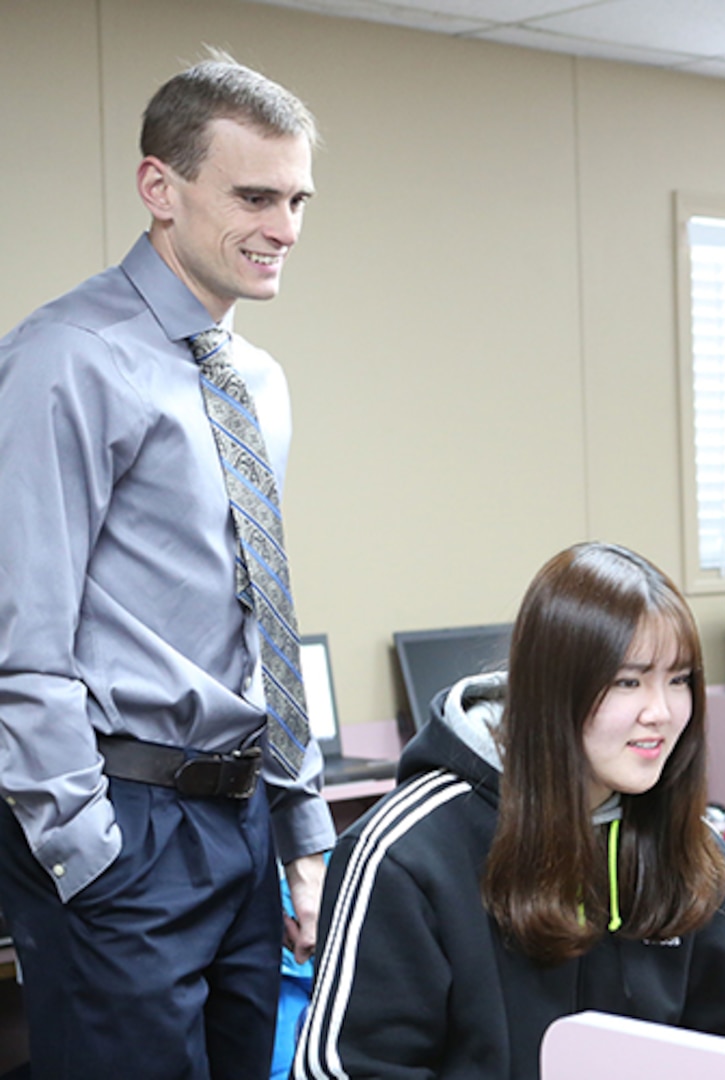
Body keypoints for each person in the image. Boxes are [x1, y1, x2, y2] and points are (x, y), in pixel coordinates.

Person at [0, 53, 332, 1078]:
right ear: (161, 188)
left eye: (298, 199)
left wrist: (301, 821)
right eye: (254, 196)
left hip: (238, 826)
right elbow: (20, 631)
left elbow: (260, 610)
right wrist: (85, 852)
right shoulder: (68, 357)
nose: (284, 227)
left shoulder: (257, 381)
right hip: (121, 824)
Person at [295, 543, 725, 1078]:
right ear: (552, 690)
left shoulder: (694, 849)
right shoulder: (403, 854)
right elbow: (347, 1070)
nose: (661, 713)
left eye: (679, 679)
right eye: (628, 681)